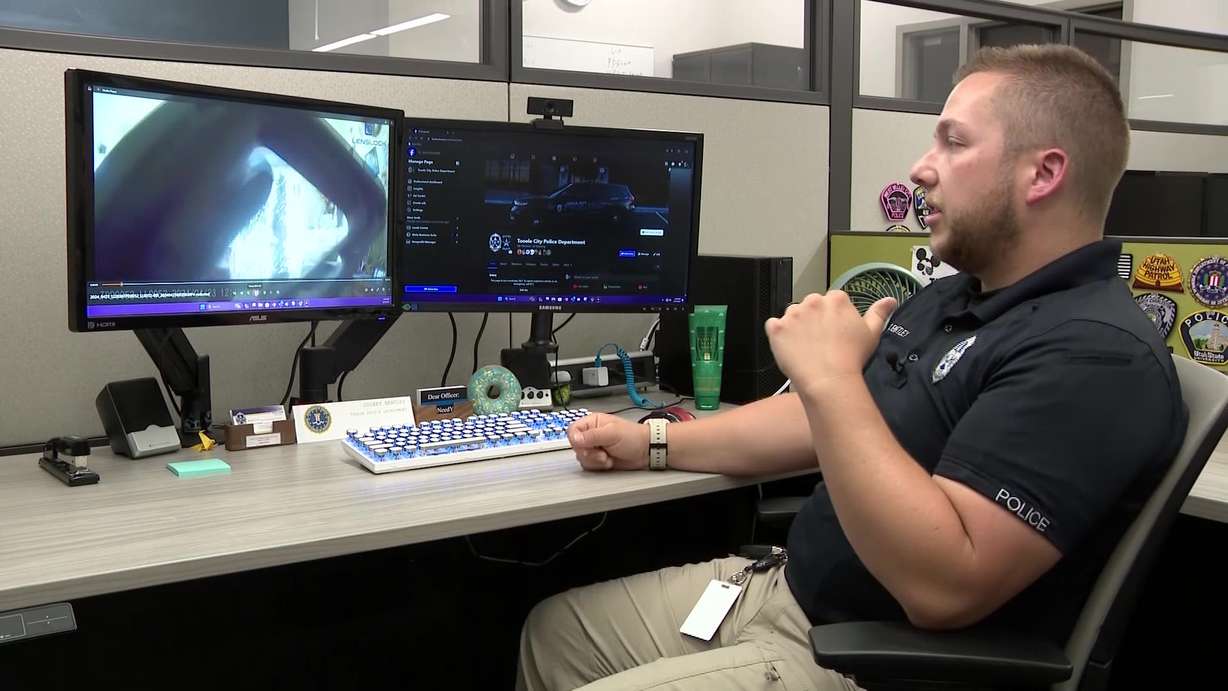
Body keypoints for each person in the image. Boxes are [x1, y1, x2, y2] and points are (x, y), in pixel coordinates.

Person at [517, 44, 1188, 691]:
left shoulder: (1093, 356)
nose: (922, 168)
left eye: (953, 143)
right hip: (781, 590)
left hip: (866, 660)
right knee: (552, 634)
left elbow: (943, 586)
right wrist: (653, 441)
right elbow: (823, 424)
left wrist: (831, 376)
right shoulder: (958, 295)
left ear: (1042, 173)